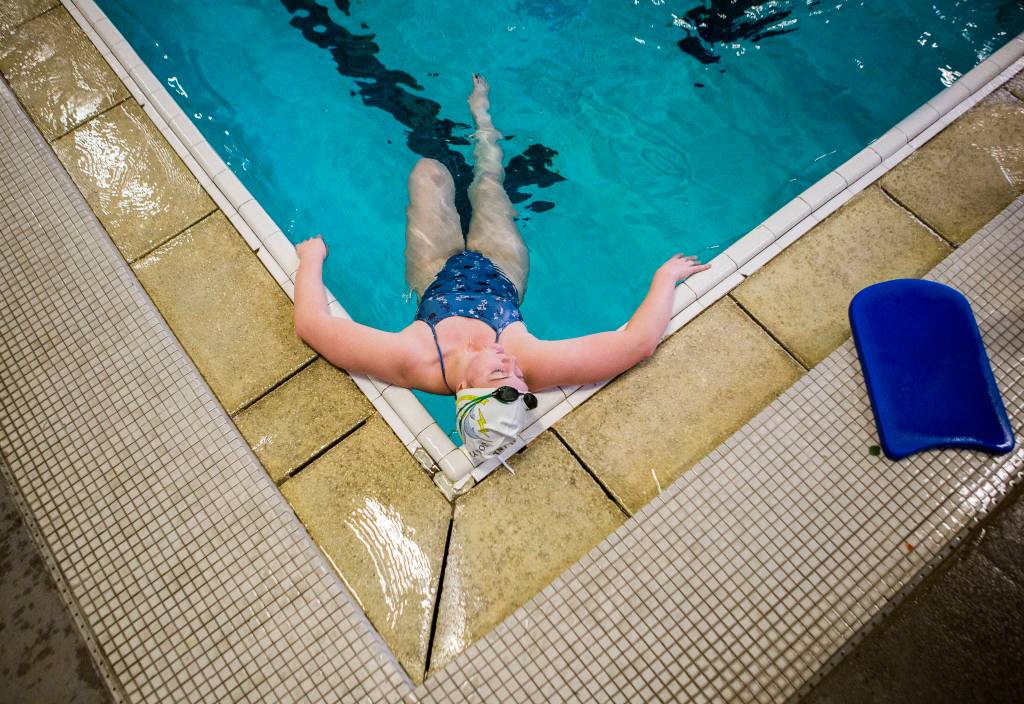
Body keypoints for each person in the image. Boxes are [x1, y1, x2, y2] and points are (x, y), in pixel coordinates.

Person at [293, 75, 710, 464]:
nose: (510, 364)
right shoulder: (524, 362)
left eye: (497, 372)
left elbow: (312, 326)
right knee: (488, 185)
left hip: (436, 276)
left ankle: (457, 144)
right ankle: (482, 119)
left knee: (429, 173)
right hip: (501, 269)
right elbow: (635, 346)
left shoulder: (413, 359)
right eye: (519, 381)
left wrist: (310, 260)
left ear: (461, 388)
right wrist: (665, 279)